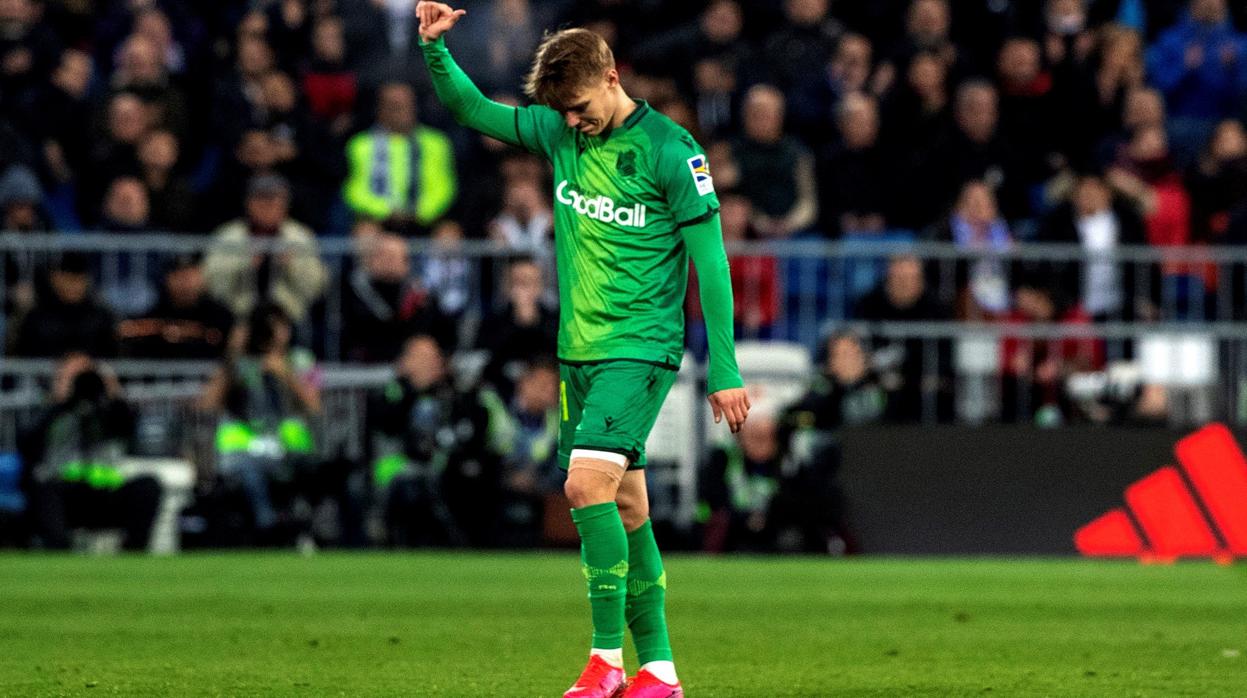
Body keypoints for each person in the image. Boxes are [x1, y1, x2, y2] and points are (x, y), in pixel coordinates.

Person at [417, 4, 751, 696]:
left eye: (576, 106)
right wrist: (434, 49)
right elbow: (474, 110)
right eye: (559, 112)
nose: (570, 121)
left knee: (582, 486)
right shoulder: (558, 132)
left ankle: (604, 663)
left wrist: (723, 367)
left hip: (641, 349)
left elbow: (711, 263)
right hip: (579, 353)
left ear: (609, 76)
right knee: (626, 508)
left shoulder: (670, 149)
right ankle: (658, 671)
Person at [19, 353, 160, 551]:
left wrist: (112, 393)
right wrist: (62, 402)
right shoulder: (49, 412)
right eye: (72, 377)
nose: (81, 383)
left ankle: (132, 555)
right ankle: (58, 554)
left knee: (148, 486)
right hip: (64, 495)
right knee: (41, 487)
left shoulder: (107, 411)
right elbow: (27, 444)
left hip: (103, 493)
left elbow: (129, 427)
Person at [203, 174, 328, 324]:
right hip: (236, 317)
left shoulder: (299, 236)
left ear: (286, 204)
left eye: (274, 199)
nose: (268, 206)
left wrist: (291, 266)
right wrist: (246, 264)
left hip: (289, 319)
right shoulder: (229, 236)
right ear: (248, 203)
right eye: (261, 199)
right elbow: (212, 284)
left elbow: (316, 287)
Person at [343, 81, 457, 235]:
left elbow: (445, 188)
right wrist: (385, 211)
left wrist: (420, 212)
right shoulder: (360, 144)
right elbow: (353, 190)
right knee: (365, 232)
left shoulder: (437, 143)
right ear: (381, 110)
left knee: (449, 233)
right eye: (395, 106)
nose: (404, 111)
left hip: (425, 220)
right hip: (379, 220)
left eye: (408, 105)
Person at [119, 254, 235, 359]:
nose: (185, 283)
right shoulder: (155, 314)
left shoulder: (221, 316)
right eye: (178, 276)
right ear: (167, 279)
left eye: (190, 275)